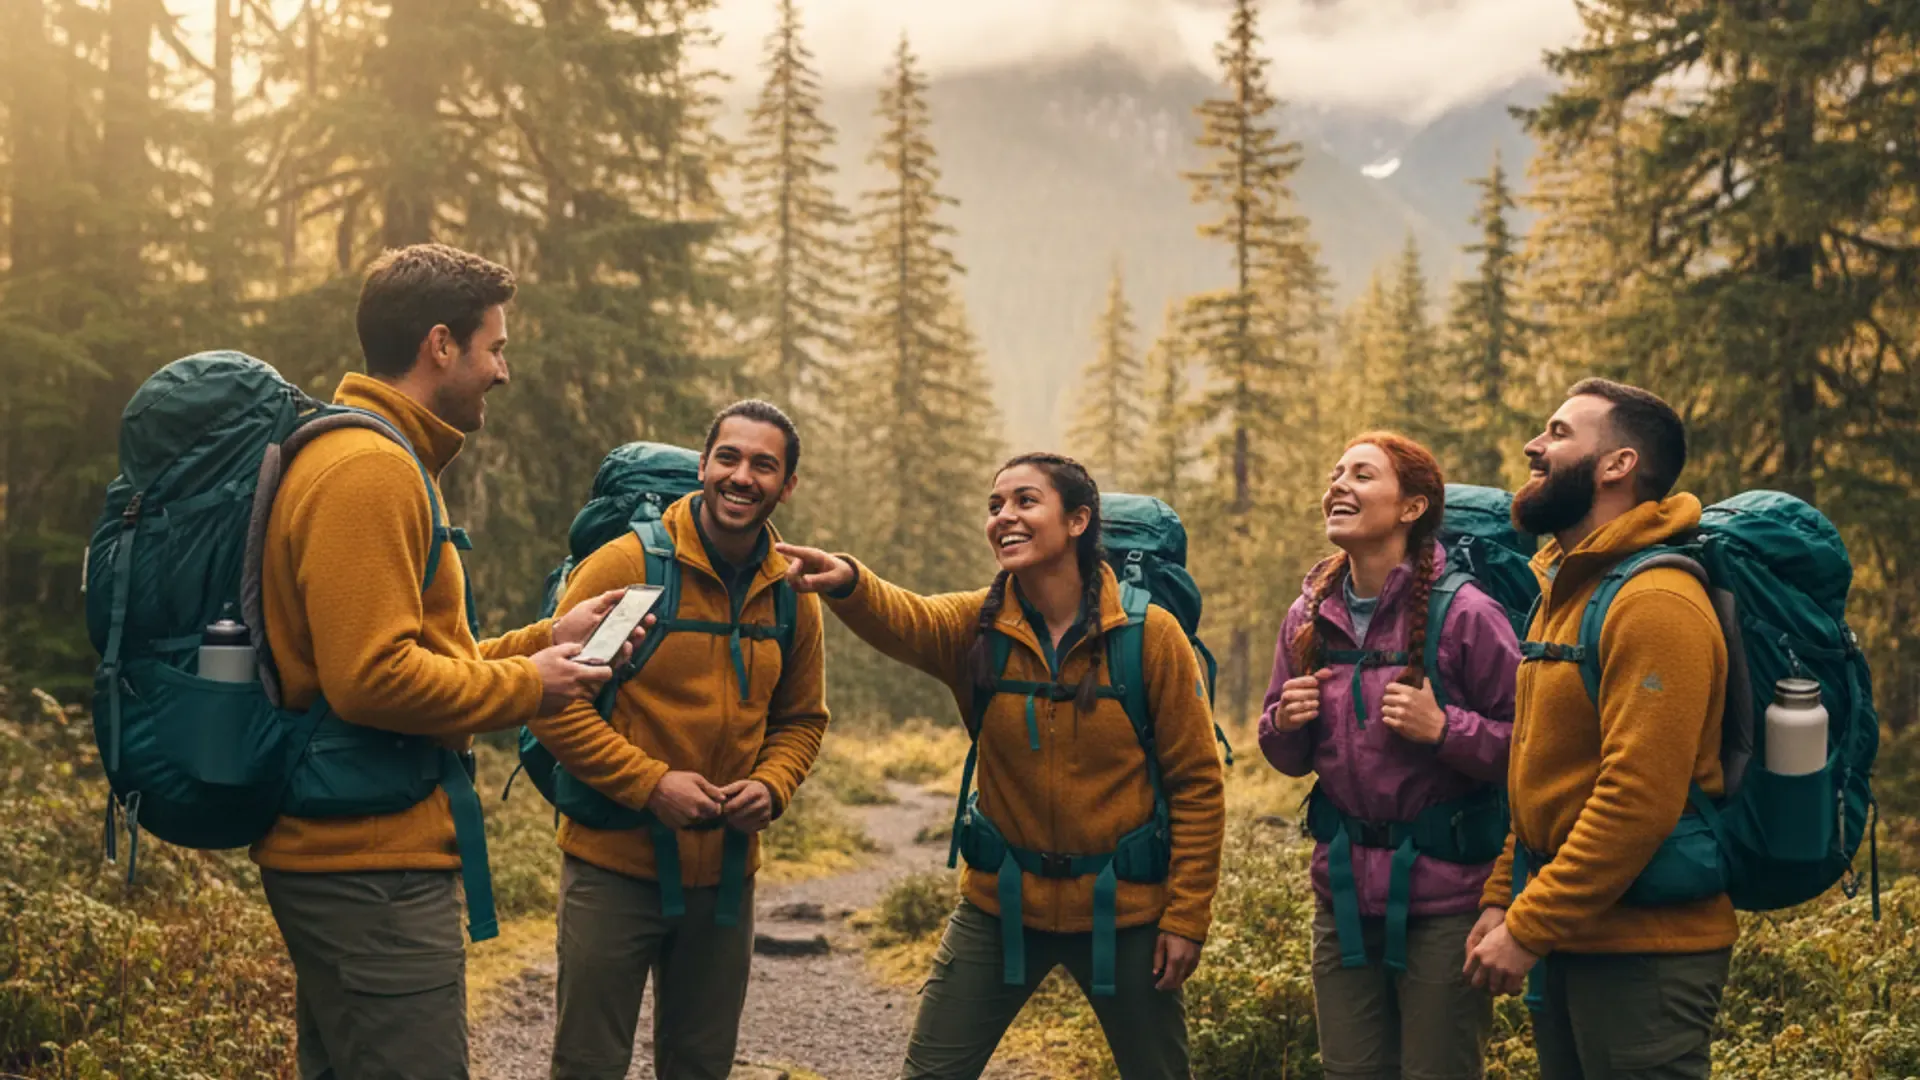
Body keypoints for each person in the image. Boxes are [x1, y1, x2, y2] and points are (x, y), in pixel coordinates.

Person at [254, 242, 645, 1079]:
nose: (502, 370)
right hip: (370, 869)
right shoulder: (370, 470)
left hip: (359, 853)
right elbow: (372, 679)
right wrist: (530, 687)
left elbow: (420, 656)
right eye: (494, 347)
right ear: (441, 345)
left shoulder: (375, 457)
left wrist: (548, 642)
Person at [779, 453, 1225, 1080]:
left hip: (1126, 915)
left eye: (1024, 501)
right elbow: (907, 618)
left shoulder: (1150, 635)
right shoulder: (978, 625)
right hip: (1000, 905)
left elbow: (1198, 784)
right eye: (995, 506)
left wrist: (1186, 918)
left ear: (1077, 521)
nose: (1004, 517)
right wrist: (850, 579)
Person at [534, 400, 832, 1080]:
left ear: (786, 486)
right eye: (728, 458)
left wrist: (772, 785)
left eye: (764, 465)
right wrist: (651, 784)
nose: (741, 476)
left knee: (701, 1064)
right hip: (611, 864)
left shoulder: (790, 592)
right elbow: (555, 706)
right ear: (703, 466)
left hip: (727, 876)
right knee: (587, 1063)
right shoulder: (626, 567)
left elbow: (802, 718)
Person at [1465, 379, 1733, 1080]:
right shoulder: (1567, 590)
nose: (1534, 445)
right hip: (1574, 938)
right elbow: (1541, 779)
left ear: (1617, 465)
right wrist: (1503, 897)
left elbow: (1637, 798)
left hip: (1648, 955)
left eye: (1557, 433)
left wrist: (1527, 925)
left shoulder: (1655, 602)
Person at [1259, 432, 1520, 1080]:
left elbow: (1532, 749)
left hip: (1449, 899)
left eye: (1362, 475)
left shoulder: (1466, 613)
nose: (1338, 485)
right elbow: (1285, 755)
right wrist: (1285, 723)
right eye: (1335, 472)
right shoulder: (1308, 613)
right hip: (1341, 895)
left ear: (1412, 508)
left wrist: (1443, 729)